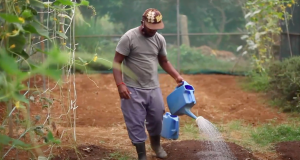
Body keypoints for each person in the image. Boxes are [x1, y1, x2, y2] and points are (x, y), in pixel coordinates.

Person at [112, 8, 184, 160]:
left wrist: (176, 76)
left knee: (157, 117)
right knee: (135, 121)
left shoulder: (159, 39)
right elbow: (117, 62)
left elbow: (164, 61)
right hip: (132, 89)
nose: (154, 32)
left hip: (153, 87)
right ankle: (142, 154)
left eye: (157, 28)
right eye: (151, 28)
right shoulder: (129, 37)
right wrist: (120, 85)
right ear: (142, 23)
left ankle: (156, 145)